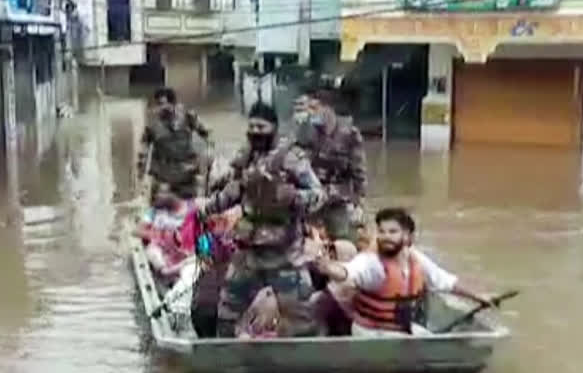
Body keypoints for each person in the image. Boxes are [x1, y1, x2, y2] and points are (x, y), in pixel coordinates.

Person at [195, 102, 328, 338]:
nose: (256, 131)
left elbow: (319, 195)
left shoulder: (291, 159)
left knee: (301, 317)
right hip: (249, 254)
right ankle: (225, 354)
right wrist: (207, 208)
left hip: (285, 254)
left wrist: (294, 197)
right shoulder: (246, 158)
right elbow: (232, 192)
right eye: (252, 126)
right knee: (227, 311)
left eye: (261, 126)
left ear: (274, 128)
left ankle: (303, 360)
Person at [312, 207, 493, 337]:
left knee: (427, 338)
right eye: (382, 231)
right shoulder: (372, 262)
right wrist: (329, 268)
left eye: (393, 232)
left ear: (408, 237)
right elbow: (349, 272)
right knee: (423, 343)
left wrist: (479, 297)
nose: (385, 237)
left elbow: (446, 282)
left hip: (401, 329)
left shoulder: (416, 259)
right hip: (372, 332)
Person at [294, 85, 367, 242]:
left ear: (328, 109)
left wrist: (359, 203)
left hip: (338, 197)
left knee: (345, 239)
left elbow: (359, 171)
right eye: (309, 109)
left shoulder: (349, 134)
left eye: (315, 108)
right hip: (312, 197)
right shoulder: (305, 131)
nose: (310, 113)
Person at [142, 87, 212, 200]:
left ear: (173, 103)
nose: (160, 108)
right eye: (157, 104)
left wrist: (206, 160)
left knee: (190, 211)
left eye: (162, 104)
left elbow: (206, 134)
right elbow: (143, 153)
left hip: (187, 174)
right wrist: (143, 178)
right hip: (163, 178)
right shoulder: (152, 125)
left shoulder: (188, 116)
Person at [134, 182, 198, 285]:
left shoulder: (191, 207)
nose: (159, 197)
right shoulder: (155, 211)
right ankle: (167, 271)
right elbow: (138, 230)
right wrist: (160, 236)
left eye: (163, 193)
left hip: (184, 250)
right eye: (157, 194)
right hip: (163, 249)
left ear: (173, 194)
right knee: (153, 250)